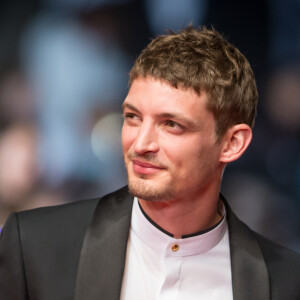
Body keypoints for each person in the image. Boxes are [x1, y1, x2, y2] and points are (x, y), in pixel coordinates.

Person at [0, 25, 299, 300]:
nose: (140, 144)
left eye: (171, 124)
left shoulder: (285, 282)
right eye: (132, 117)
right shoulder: (35, 246)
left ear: (232, 144)